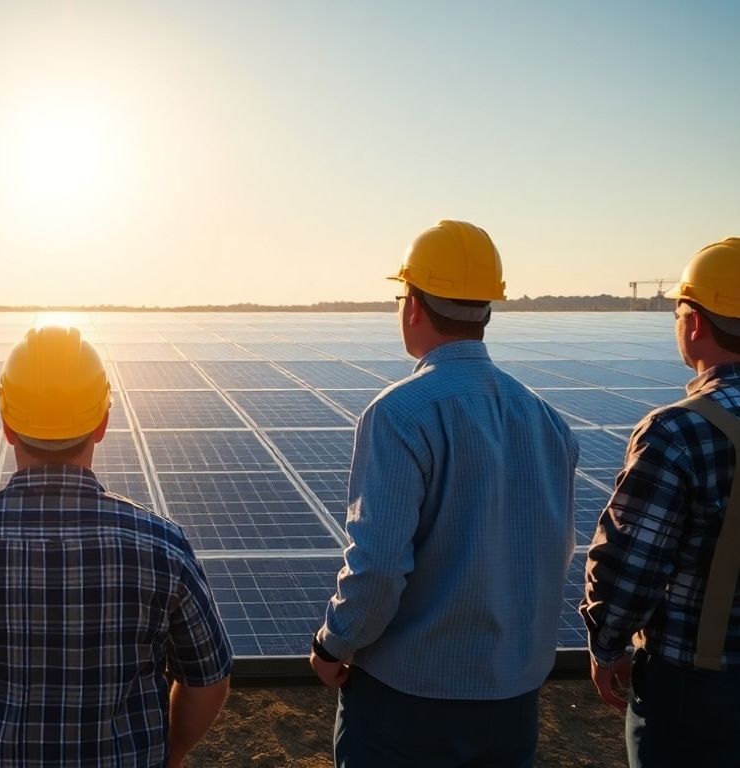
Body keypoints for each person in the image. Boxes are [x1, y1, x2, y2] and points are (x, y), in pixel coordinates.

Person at [0, 324, 232, 768]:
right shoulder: (162, 545)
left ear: (7, 425)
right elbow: (207, 681)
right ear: (103, 423)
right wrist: (171, 753)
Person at [309, 221, 578, 767]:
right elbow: (557, 551)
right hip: (511, 702)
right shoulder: (547, 420)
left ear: (412, 305)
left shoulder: (399, 413)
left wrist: (334, 643)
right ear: (487, 311)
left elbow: (379, 567)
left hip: (407, 706)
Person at [580, 237, 740, 767]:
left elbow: (630, 564)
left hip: (699, 694)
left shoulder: (679, 431)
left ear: (694, 321)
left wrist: (608, 646)